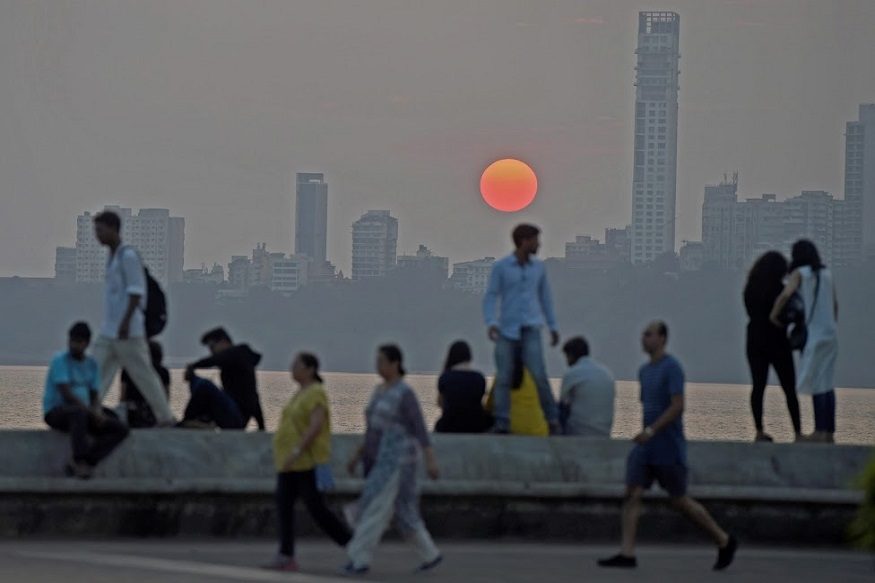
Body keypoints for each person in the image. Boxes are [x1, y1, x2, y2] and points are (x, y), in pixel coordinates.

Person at [598, 321, 738, 571]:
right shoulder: (643, 371)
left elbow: (677, 405)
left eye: (649, 334)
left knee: (679, 500)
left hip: (667, 445)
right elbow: (647, 405)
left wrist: (652, 430)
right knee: (632, 493)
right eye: (643, 334)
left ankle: (723, 540)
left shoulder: (672, 368)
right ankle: (627, 553)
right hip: (646, 447)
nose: (644, 339)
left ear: (662, 338)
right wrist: (644, 433)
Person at [343, 345, 442, 575]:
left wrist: (430, 460)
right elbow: (373, 430)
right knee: (403, 511)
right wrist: (357, 456)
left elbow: (419, 429)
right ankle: (430, 554)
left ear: (395, 364)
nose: (378, 366)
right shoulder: (379, 392)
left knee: (374, 509)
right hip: (380, 460)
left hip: (399, 462)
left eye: (382, 361)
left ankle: (359, 559)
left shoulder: (404, 394)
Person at [263, 353, 351, 572]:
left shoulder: (316, 393)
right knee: (284, 505)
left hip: (306, 462)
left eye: (297, 365)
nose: (292, 369)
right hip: (288, 464)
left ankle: (353, 544)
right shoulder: (299, 394)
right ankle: (286, 555)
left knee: (317, 509)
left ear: (310, 369)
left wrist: (297, 450)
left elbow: (315, 426)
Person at [91, 210, 174, 425]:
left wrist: (126, 323)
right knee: (97, 370)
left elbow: (136, 293)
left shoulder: (128, 257)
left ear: (112, 228)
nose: (97, 235)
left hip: (128, 331)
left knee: (143, 374)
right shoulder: (112, 257)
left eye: (100, 230)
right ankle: (91, 409)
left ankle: (165, 417)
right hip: (109, 331)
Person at [483, 223, 561, 434]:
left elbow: (546, 298)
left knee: (539, 375)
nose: (539, 244)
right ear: (524, 241)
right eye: (536, 240)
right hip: (507, 329)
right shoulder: (502, 267)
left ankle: (553, 420)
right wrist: (491, 322)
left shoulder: (538, 268)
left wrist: (552, 326)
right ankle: (502, 422)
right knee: (504, 376)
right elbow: (491, 296)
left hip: (531, 327)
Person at [770, 240, 839, 443]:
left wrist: (774, 315)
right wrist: (832, 325)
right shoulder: (827, 274)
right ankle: (829, 432)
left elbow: (785, 295)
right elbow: (835, 305)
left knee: (818, 382)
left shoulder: (801, 274)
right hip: (831, 334)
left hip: (814, 334)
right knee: (827, 383)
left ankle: (819, 431)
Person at [44, 322, 129, 479]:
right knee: (78, 413)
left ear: (87, 343)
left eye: (79, 342)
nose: (74, 345)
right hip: (58, 411)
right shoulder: (60, 361)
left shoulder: (92, 365)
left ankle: (89, 460)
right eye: (72, 341)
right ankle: (79, 460)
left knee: (119, 427)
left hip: (84, 411)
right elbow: (67, 394)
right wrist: (91, 412)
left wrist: (97, 412)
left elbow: (94, 395)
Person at [743, 251, 802, 442]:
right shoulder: (781, 290)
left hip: (754, 338)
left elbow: (750, 311)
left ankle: (759, 430)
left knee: (758, 386)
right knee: (789, 388)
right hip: (777, 339)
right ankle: (797, 432)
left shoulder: (749, 289)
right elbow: (792, 311)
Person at [186, 327, 265, 431]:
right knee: (196, 381)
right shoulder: (233, 363)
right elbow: (254, 397)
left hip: (236, 417)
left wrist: (194, 365)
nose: (211, 351)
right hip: (232, 415)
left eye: (212, 347)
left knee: (205, 385)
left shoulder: (239, 352)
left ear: (223, 342)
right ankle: (201, 419)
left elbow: (217, 359)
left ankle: (187, 420)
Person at [559, 336, 615, 437]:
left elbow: (562, 402)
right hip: (605, 433)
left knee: (556, 409)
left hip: (579, 432)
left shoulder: (572, 373)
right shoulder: (606, 373)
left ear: (570, 355)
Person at [485, 352, 549, 437]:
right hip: (538, 433)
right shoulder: (533, 376)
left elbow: (489, 407)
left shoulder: (500, 378)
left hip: (510, 433)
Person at [434, 341, 492, 433]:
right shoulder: (479, 378)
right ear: (469, 357)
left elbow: (440, 403)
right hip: (477, 425)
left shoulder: (446, 377)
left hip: (450, 425)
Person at [120, 340, 170, 428]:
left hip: (132, 413)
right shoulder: (163, 372)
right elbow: (166, 396)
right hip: (154, 413)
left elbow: (123, 396)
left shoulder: (128, 370)